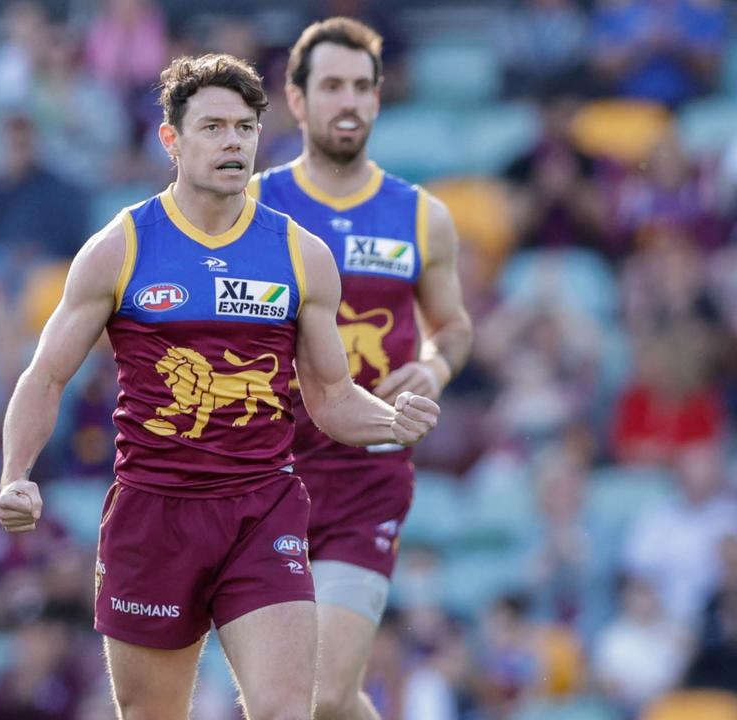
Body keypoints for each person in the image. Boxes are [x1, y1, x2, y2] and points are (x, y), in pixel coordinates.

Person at [0, 54, 440, 720]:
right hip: (153, 516)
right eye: (212, 127)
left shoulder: (300, 254)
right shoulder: (120, 248)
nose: (232, 141)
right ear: (171, 140)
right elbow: (47, 375)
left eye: (244, 127)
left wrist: (390, 421)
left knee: (291, 709)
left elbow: (330, 398)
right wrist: (14, 474)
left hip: (262, 510)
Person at [247, 18, 474, 720]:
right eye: (332, 86)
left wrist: (433, 371)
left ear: (379, 99)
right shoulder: (253, 204)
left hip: (366, 474)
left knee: (316, 695)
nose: (348, 101)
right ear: (297, 98)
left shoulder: (420, 216)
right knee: (293, 703)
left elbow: (454, 327)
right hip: (264, 473)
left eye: (361, 87)